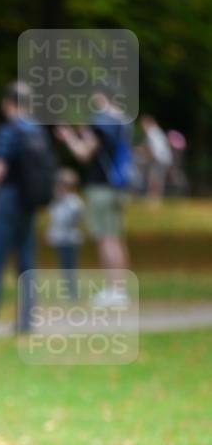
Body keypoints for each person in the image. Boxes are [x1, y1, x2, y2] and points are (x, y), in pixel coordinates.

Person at [0, 81, 55, 335]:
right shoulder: (37, 131)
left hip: (7, 200)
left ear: (7, 103)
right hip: (29, 202)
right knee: (26, 261)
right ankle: (26, 322)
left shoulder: (9, 131)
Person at [54, 85, 131, 309]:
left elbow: (84, 154)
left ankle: (114, 290)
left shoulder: (101, 120)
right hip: (119, 186)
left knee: (105, 237)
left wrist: (68, 137)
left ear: (100, 96)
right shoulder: (123, 120)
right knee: (116, 236)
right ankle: (120, 288)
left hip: (101, 188)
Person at [45, 168, 84, 299]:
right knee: (63, 265)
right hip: (59, 239)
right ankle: (67, 290)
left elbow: (73, 219)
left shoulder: (74, 202)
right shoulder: (55, 201)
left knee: (70, 266)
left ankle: (71, 291)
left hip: (70, 239)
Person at [141, 115, 173, 203]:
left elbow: (152, 149)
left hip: (158, 159)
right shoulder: (158, 132)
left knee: (154, 180)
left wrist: (147, 159)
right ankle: (156, 199)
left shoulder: (151, 132)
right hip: (163, 159)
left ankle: (153, 200)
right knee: (158, 180)